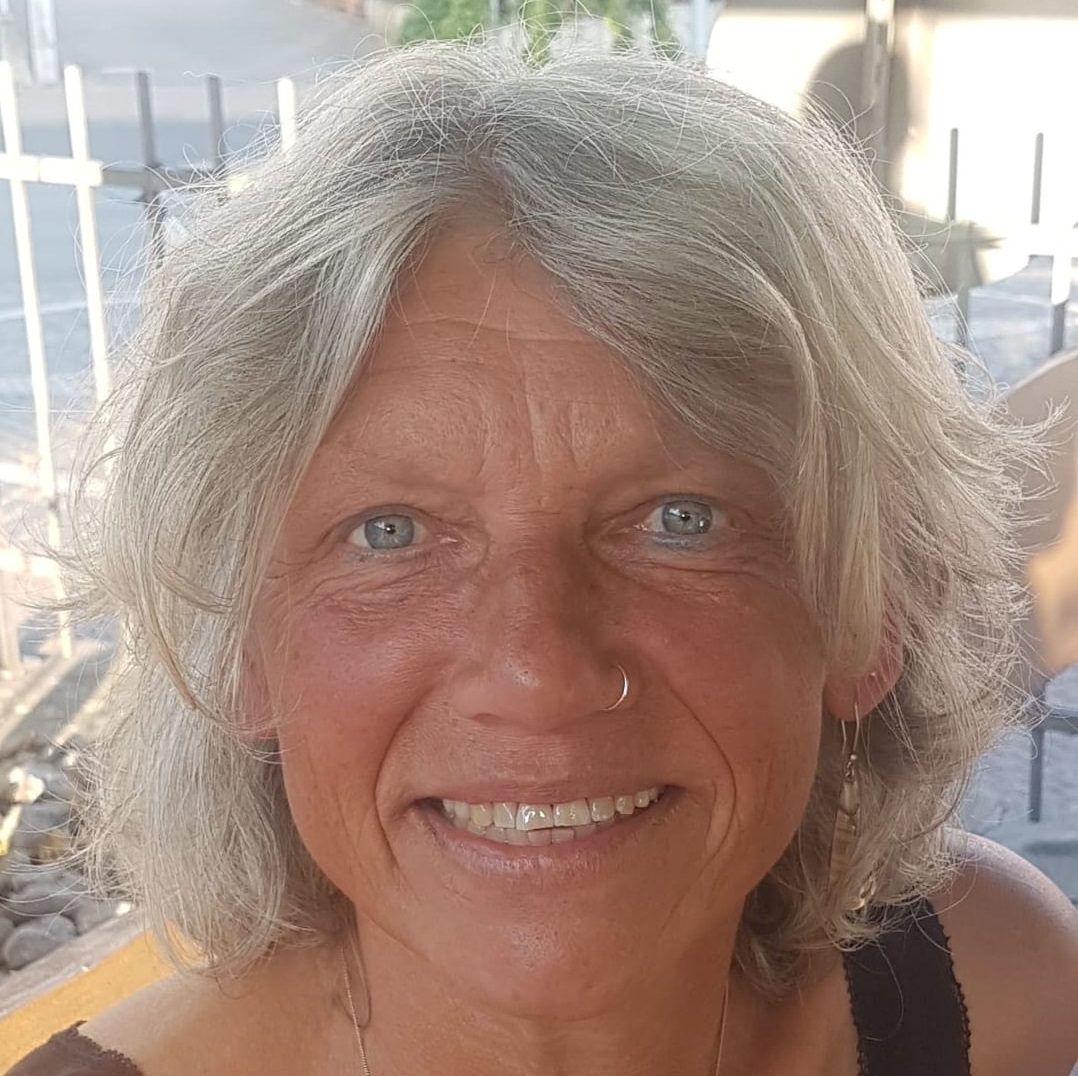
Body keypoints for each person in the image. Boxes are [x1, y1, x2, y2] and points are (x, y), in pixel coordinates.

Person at [7, 41, 1078, 1076]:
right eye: (389, 532)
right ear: (241, 647)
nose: (537, 672)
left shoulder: (990, 989)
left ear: (865, 612)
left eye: (680, 520)